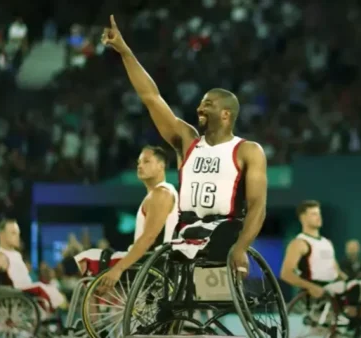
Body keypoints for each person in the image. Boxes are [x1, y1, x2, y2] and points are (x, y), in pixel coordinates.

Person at [102, 15, 268, 275]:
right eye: (201, 102)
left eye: (208, 104)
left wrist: (241, 247)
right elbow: (151, 97)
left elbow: (258, 206)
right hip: (185, 230)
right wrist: (125, 52)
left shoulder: (248, 151)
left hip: (224, 229)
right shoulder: (188, 140)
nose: (199, 107)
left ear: (226, 114)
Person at [73, 146, 179, 291]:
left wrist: (119, 269)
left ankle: (95, 308)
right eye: (138, 163)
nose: (140, 166)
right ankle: (98, 306)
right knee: (92, 263)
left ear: (161, 166)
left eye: (146, 162)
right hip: (150, 262)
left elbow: (149, 237)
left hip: (151, 263)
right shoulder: (157, 194)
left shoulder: (161, 194)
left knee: (86, 260)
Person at [280, 200, 361, 336]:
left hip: (334, 289)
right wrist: (310, 287)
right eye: (313, 214)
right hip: (315, 291)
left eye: (319, 214)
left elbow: (336, 271)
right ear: (303, 218)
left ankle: (354, 323)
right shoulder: (299, 243)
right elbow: (286, 274)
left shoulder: (327, 243)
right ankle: (345, 322)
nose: (318, 217)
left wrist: (349, 280)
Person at [0, 220, 67, 330]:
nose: (17, 236)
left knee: (56, 287)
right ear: (1, 235)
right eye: (13, 233)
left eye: (18, 233)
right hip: (21, 296)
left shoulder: (15, 255)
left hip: (29, 296)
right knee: (50, 289)